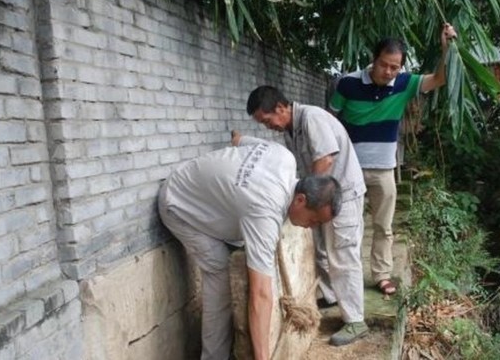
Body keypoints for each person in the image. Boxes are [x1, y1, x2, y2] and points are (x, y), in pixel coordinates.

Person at [157, 142, 342, 360]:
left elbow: (242, 140)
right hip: (178, 203)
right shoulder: (264, 212)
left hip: (196, 184)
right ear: (300, 199)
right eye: (313, 220)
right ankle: (213, 356)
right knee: (219, 270)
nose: (311, 227)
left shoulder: (285, 157)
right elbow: (261, 294)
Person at [329, 23, 457, 296]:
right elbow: (330, 120)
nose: (388, 72)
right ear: (373, 60)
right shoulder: (347, 83)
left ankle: (381, 274)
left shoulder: (405, 83)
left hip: (384, 170)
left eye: (394, 67)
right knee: (347, 226)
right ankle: (343, 279)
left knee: (383, 226)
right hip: (349, 170)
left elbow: (440, 78)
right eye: (384, 65)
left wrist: (445, 47)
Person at [237, 85, 368, 346]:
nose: (268, 127)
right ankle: (332, 298)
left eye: (267, 120)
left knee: (342, 255)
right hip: (321, 200)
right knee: (322, 251)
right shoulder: (290, 130)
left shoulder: (311, 118)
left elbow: (325, 161)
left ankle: (356, 321)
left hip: (338, 198)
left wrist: (307, 201)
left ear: (281, 108)